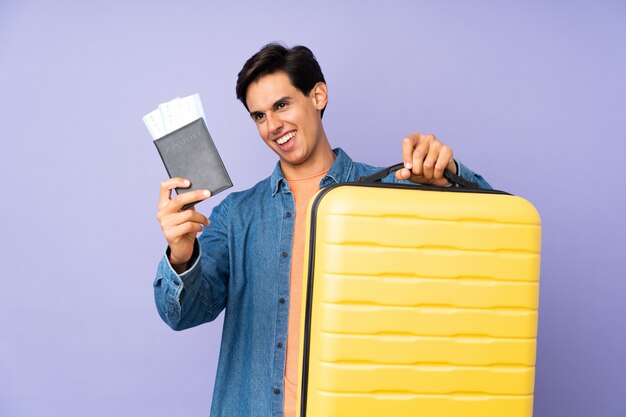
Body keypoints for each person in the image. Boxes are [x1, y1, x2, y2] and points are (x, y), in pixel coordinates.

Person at [154, 43, 491, 417]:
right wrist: (181, 253)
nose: (273, 126)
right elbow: (182, 314)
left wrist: (446, 173)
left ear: (317, 95)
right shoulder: (237, 215)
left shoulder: (391, 193)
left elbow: (490, 230)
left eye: (282, 105)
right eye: (259, 116)